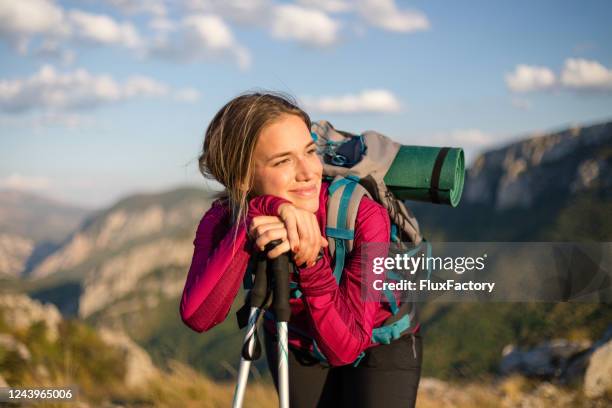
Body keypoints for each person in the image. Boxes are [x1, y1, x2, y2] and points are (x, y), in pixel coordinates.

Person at [179, 91, 422, 407]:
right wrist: (253, 217)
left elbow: (346, 347)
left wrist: (312, 262)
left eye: (309, 151)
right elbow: (198, 316)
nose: (308, 172)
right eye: (283, 160)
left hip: (381, 339)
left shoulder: (361, 214)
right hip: (294, 338)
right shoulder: (223, 220)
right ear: (241, 180)